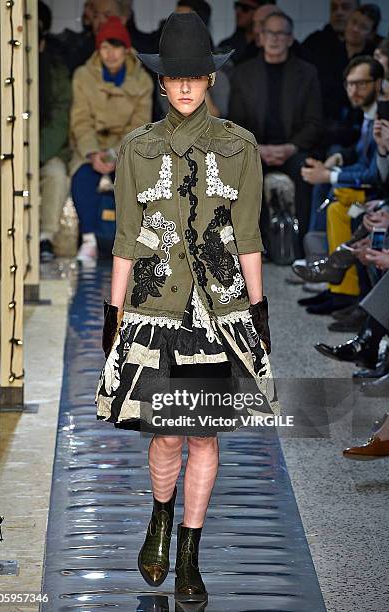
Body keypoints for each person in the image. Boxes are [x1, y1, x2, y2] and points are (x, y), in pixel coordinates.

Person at [95, 12, 279, 603]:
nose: (183, 86)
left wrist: (260, 311)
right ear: (160, 81)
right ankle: (158, 519)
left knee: (202, 436)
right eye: (174, 76)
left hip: (218, 314)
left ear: (210, 80)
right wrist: (112, 313)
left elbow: (248, 237)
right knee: (167, 436)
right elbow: (127, 236)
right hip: (154, 308)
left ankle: (190, 552)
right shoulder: (137, 149)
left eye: (194, 76)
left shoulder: (240, 147)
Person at [229, 11, 323, 249]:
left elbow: (314, 122)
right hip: (255, 147)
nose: (275, 38)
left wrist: (290, 148)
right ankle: (254, 246)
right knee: (243, 171)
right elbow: (235, 123)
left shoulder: (307, 73)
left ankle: (300, 246)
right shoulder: (243, 73)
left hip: (293, 147)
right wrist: (257, 148)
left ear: (291, 39)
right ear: (260, 36)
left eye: (281, 33)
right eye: (270, 32)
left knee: (305, 171)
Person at [299, 56, 383, 314]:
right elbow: (360, 154)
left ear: (379, 83)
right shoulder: (369, 116)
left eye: (361, 84)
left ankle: (346, 290)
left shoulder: (382, 117)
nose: (353, 91)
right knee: (336, 206)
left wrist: (330, 176)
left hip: (378, 195)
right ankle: (338, 288)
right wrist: (338, 161)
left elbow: (374, 174)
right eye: (349, 84)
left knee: (340, 200)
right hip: (369, 191)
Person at [69, 16, 153, 263]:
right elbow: (80, 120)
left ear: (126, 49)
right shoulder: (84, 75)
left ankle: (129, 243)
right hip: (90, 146)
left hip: (126, 147)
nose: (111, 54)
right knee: (83, 177)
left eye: (116, 47)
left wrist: (116, 154)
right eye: (105, 47)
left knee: (132, 181)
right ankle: (89, 241)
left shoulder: (141, 80)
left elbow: (140, 124)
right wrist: (93, 153)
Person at [303, 3, 381, 148]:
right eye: (353, 22)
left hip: (357, 123)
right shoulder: (327, 49)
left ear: (371, 34)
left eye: (363, 27)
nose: (355, 29)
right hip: (324, 120)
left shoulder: (373, 58)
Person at [38, 1, 71, 262]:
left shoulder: (56, 69)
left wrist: (36, 155)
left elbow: (60, 119)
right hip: (7, 148)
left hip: (44, 150)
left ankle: (44, 238)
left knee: (56, 174)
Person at [218, 0, 262, 65]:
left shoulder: (268, 46)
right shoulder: (225, 45)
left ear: (259, 12)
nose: (238, 12)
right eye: (237, 6)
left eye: (245, 8)